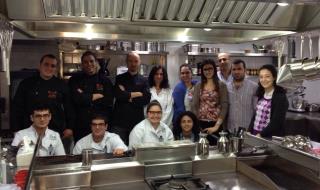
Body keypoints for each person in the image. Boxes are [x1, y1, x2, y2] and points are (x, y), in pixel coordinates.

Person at [11, 54, 75, 138]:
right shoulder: (26, 84)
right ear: (40, 66)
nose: (49, 68)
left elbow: (69, 108)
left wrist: (70, 127)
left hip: (55, 130)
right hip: (29, 130)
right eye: (46, 64)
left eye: (53, 66)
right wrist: (16, 129)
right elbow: (17, 107)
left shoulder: (61, 85)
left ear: (55, 69)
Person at [69, 51, 114, 142]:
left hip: (100, 124)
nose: (89, 64)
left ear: (96, 62)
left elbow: (108, 101)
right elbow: (76, 99)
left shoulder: (105, 80)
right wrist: (95, 96)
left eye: (91, 61)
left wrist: (85, 97)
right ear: (82, 64)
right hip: (81, 124)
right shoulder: (74, 79)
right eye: (85, 62)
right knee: (81, 151)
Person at [112, 52, 151, 144]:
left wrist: (126, 95)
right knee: (119, 150)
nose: (133, 64)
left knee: (135, 150)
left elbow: (146, 99)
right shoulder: (119, 78)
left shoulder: (144, 80)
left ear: (139, 62)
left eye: (135, 61)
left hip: (136, 122)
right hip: (119, 122)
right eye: (130, 61)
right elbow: (118, 95)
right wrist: (136, 94)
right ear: (126, 62)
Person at [191, 59, 229, 145]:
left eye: (210, 68)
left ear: (214, 69)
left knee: (216, 151)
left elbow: (225, 106)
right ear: (202, 71)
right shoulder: (198, 86)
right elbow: (194, 105)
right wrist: (197, 125)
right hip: (201, 124)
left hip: (216, 124)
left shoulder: (221, 85)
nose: (208, 71)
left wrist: (216, 126)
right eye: (205, 69)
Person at [248, 64, 289, 137]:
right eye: (261, 77)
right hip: (256, 133)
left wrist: (261, 134)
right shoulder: (261, 94)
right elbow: (256, 115)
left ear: (274, 77)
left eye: (267, 76)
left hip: (269, 137)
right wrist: (249, 131)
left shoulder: (280, 97)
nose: (264, 80)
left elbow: (276, 122)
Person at [227, 59, 258, 133]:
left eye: (239, 69)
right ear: (231, 71)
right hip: (230, 129)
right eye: (234, 69)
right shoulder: (226, 87)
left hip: (247, 130)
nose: (236, 72)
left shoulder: (254, 87)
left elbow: (256, 110)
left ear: (245, 70)